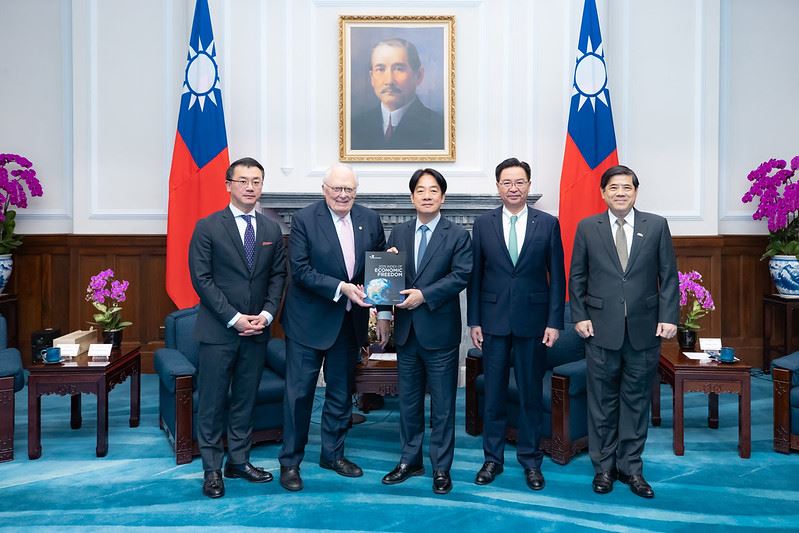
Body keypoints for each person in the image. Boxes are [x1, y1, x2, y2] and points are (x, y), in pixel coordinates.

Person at [569, 165, 679, 499]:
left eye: (627, 187)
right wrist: (579, 316)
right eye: (613, 187)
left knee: (635, 401)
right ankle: (603, 467)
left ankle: (631, 467)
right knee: (602, 402)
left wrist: (669, 316)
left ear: (636, 191)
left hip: (645, 330)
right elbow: (577, 277)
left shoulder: (656, 225)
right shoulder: (588, 227)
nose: (620, 193)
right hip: (600, 329)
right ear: (602, 193)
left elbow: (669, 276)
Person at [278, 163, 387, 492]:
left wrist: (387, 267)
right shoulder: (304, 220)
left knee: (340, 394)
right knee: (299, 396)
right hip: (307, 322)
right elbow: (300, 270)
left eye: (349, 190)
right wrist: (342, 287)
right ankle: (290, 462)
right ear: (324, 189)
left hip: (347, 323)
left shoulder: (369, 219)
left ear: (356, 191)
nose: (343, 195)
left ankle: (333, 454)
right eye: (337, 189)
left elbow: (378, 266)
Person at [188, 157, 287, 499]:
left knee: (246, 399)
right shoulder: (208, 227)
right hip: (218, 332)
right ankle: (212, 468)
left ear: (262, 186)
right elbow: (202, 280)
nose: (250, 187)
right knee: (214, 402)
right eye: (243, 180)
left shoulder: (272, 230)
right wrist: (233, 318)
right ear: (228, 185)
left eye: (256, 181)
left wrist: (267, 314)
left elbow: (278, 277)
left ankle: (239, 460)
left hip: (257, 331)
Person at [467, 157, 565, 491]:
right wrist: (474, 320)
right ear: (497, 187)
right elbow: (476, 276)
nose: (513, 188)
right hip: (492, 323)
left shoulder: (547, 224)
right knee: (492, 395)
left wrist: (554, 321)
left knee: (529, 395)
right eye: (507, 182)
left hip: (534, 323)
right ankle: (492, 459)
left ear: (529, 185)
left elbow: (557, 278)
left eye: (520, 182)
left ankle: (531, 460)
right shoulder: (483, 224)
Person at [379, 168, 472, 495]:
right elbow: (387, 279)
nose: (427, 195)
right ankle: (410, 459)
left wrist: (425, 295)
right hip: (406, 333)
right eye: (421, 190)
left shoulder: (458, 235)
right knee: (408, 402)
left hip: (440, 333)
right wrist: (383, 313)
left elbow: (461, 276)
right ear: (412, 197)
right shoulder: (399, 234)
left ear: (442, 197)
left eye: (434, 190)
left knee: (444, 406)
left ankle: (441, 468)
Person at [351, 37, 444, 151]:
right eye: (380, 69)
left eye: (399, 69)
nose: (389, 81)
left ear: (419, 75)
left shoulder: (438, 128)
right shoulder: (354, 127)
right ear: (372, 78)